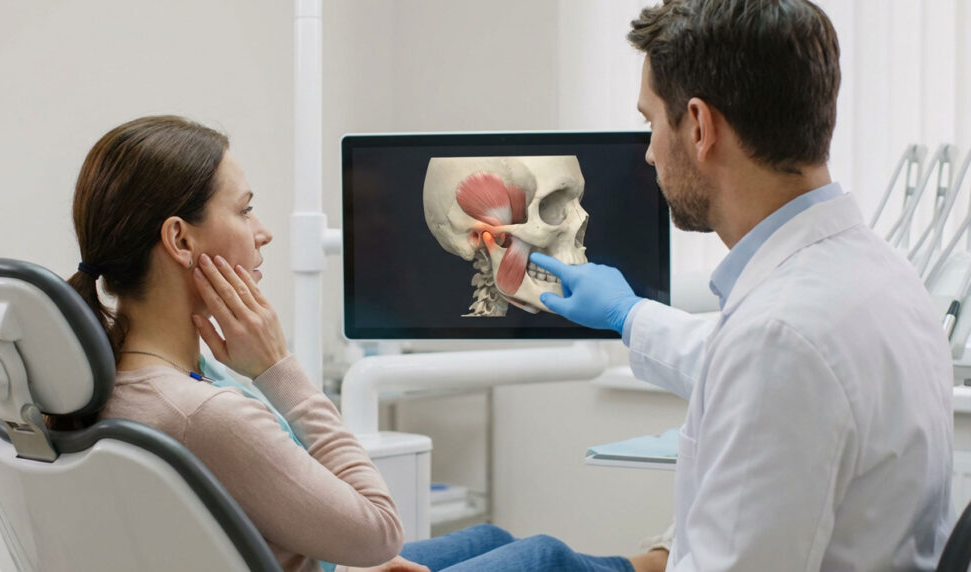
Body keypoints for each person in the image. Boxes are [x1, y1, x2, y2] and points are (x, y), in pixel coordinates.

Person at [66, 115, 659, 572]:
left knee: (495, 541)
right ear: (180, 239)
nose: (263, 232)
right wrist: (278, 367)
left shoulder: (116, 378)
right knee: (545, 556)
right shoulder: (205, 412)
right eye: (245, 211)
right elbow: (379, 530)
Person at [531, 1, 954, 570]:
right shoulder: (876, 276)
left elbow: (770, 358)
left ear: (701, 127)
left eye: (651, 122)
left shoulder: (781, 336)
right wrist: (628, 315)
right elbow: (749, 361)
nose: (651, 151)